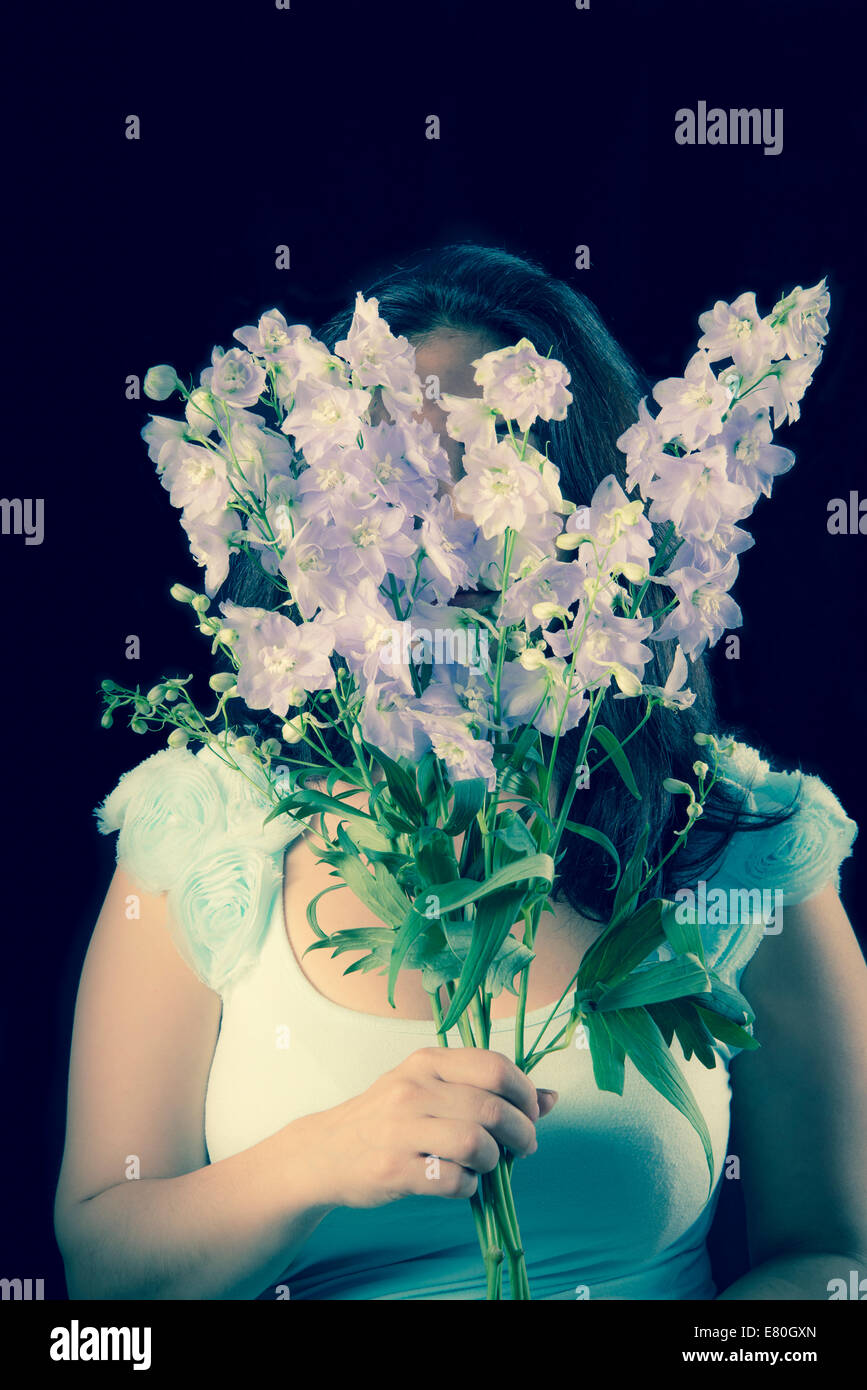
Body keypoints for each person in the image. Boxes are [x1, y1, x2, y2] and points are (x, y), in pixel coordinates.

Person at [54, 245, 866, 1301]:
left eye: (489, 480)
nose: (438, 538)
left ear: (588, 516)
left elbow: (835, 1261)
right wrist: (319, 1159)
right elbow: (101, 1281)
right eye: (392, 484)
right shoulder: (209, 832)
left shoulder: (733, 841)